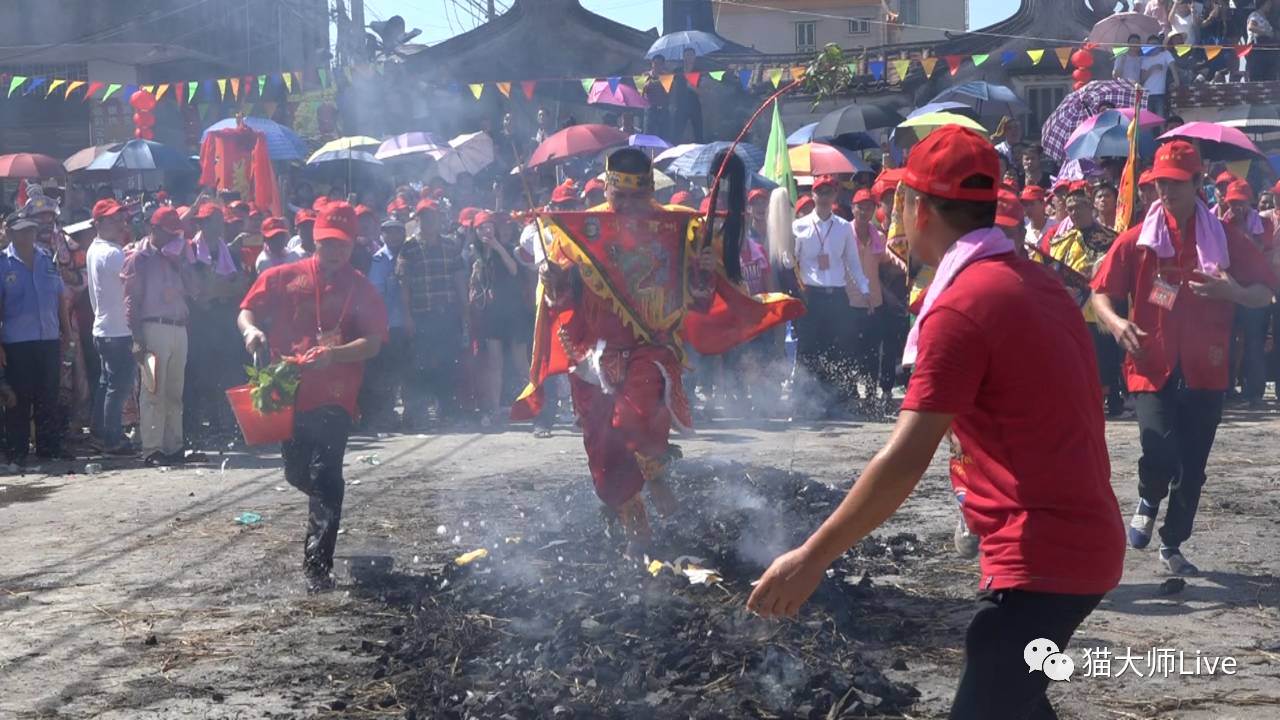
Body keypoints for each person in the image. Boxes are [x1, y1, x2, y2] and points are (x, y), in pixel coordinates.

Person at [749, 126, 1125, 719]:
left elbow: (903, 459)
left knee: (995, 682)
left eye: (899, 198)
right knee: (1013, 691)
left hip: (1045, 551)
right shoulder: (1035, 282)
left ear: (917, 209)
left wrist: (811, 557)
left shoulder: (962, 306)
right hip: (1080, 539)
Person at [513, 147, 801, 553]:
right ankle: (634, 529)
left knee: (634, 416)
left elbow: (697, 302)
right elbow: (562, 301)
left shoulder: (674, 229)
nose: (628, 207)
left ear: (649, 191)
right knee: (602, 454)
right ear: (609, 192)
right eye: (621, 198)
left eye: (636, 197)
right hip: (592, 354)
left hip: (650, 348)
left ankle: (655, 472)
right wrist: (554, 277)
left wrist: (703, 271)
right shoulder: (581, 232)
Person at [1091, 141, 1279, 575]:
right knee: (1157, 447)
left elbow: (1265, 291)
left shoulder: (1226, 239)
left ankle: (1172, 543)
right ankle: (1147, 494)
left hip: (1207, 367)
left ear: (1198, 183)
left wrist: (1231, 291)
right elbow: (1101, 293)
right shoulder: (1138, 239)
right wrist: (1117, 326)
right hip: (1151, 363)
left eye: (1176, 183)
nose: (1167, 192)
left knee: (1192, 467)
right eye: (1160, 184)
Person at [239, 201, 388, 592]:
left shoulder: (361, 286)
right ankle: (327, 504)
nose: (334, 251)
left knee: (326, 473)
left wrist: (335, 355)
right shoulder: (284, 275)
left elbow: (373, 343)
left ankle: (317, 567)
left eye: (341, 244)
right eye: (326, 243)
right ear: (314, 240)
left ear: (353, 244)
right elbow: (246, 310)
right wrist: (250, 333)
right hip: (288, 389)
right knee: (296, 471)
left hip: (337, 394)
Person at [787, 175, 872, 417]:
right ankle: (804, 403)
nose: (824, 197)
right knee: (807, 351)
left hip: (836, 295)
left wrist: (865, 290)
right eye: (819, 192)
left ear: (835, 195)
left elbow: (853, 263)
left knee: (837, 349)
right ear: (813, 195)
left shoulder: (844, 227)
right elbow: (791, 262)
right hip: (810, 296)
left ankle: (835, 403)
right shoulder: (799, 226)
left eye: (828, 192)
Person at [122, 207, 198, 466]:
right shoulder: (139, 258)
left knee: (175, 392)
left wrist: (184, 263)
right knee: (153, 391)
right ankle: (152, 448)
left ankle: (173, 445)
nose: (173, 237)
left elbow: (194, 289)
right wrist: (136, 337)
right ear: (153, 230)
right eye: (168, 232)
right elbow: (131, 300)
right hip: (153, 328)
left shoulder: (176, 256)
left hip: (179, 327)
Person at [1047, 182, 1124, 416]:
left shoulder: (1110, 239)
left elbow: (1118, 270)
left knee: (1101, 361)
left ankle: (1103, 399)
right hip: (1070, 311)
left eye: (1079, 207)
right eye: (1070, 208)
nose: (1074, 212)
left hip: (1097, 310)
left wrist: (1096, 270)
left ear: (1090, 207)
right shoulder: (1061, 242)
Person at [0, 208, 68, 465]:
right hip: (16, 342)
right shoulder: (3, 263)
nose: (27, 235)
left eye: (30, 230)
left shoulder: (46, 258)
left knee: (47, 395)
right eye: (21, 231)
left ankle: (48, 448)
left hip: (48, 338)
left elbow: (59, 298)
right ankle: (17, 450)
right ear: (10, 233)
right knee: (18, 398)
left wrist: (67, 334)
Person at [396, 198, 468, 429]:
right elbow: (404, 284)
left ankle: (446, 409)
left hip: (447, 313)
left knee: (448, 362)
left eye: (432, 216)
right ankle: (417, 413)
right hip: (421, 314)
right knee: (420, 364)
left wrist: (464, 312)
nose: (429, 221)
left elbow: (459, 281)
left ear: (439, 219)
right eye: (424, 217)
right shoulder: (409, 247)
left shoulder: (450, 245)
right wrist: (406, 316)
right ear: (418, 220)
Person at [469, 211, 529, 428]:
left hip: (513, 311)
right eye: (481, 227)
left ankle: (537, 401)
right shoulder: (474, 254)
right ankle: (494, 408)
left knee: (520, 360)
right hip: (491, 313)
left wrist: (497, 247)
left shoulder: (506, 248)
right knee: (495, 362)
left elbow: (513, 269)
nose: (486, 230)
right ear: (475, 231)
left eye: (489, 226)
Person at [85, 198, 136, 455]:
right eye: (114, 219)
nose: (120, 223)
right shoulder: (112, 253)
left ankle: (100, 434)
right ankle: (111, 440)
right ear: (99, 222)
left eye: (120, 218)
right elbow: (133, 278)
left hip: (105, 328)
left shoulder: (96, 248)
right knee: (118, 386)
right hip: (116, 331)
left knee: (107, 384)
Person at [1220, 180, 1273, 410]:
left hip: (1253, 290)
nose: (1236, 206)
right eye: (1232, 202)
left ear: (1249, 202)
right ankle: (1227, 389)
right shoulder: (1222, 221)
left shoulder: (1261, 222)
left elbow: (1258, 250)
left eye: (1240, 202)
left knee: (1253, 343)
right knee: (1228, 343)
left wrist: (1240, 228)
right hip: (1229, 290)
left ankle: (1254, 393)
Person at [361, 217, 410, 430]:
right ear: (382, 234)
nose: (393, 236)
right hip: (389, 323)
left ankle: (410, 412)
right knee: (387, 372)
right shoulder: (379, 259)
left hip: (409, 321)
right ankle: (386, 415)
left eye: (397, 231)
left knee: (408, 370)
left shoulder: (411, 255)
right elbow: (375, 293)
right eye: (389, 232)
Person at [669, 48, 704, 143]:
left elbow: (703, 91)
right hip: (680, 105)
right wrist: (672, 104)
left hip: (694, 105)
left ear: (694, 57)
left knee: (698, 133)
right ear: (683, 57)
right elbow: (670, 88)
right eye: (687, 55)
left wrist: (692, 87)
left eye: (691, 55)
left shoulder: (698, 72)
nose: (689, 57)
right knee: (676, 133)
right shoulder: (677, 71)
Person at [1141, 33, 1178, 117]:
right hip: (1146, 95)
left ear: (1159, 45)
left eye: (1155, 44)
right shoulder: (1145, 59)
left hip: (1160, 94)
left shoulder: (1165, 54)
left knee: (1160, 120)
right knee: (1148, 122)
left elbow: (1173, 67)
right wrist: (1152, 69)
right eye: (1150, 44)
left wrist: (1177, 81)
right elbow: (1142, 79)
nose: (1153, 46)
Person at [1248, 0, 1278, 82]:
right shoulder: (1255, 15)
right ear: (1263, 4)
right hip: (1257, 49)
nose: (1270, 6)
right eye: (1268, 4)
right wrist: (1265, 33)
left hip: (1268, 51)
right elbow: (1251, 27)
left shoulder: (1267, 18)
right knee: (1257, 76)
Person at [642, 55, 670, 140]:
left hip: (663, 110)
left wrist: (660, 81)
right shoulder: (645, 75)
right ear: (652, 64)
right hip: (650, 109)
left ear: (663, 65)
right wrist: (648, 84)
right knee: (648, 135)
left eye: (660, 64)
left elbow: (668, 92)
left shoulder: (666, 76)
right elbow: (641, 92)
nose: (657, 66)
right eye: (656, 63)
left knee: (663, 136)